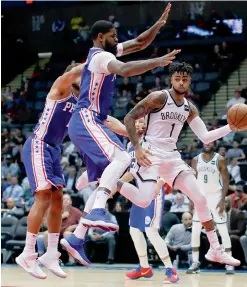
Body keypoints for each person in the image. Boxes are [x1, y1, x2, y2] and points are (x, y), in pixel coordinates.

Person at [61, 3, 180, 262]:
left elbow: (138, 43)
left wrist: (157, 26)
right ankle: (97, 211)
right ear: (100, 37)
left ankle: (76, 237)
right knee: (122, 160)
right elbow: (126, 70)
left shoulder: (108, 51)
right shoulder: (101, 57)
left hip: (97, 120)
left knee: (111, 177)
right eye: (113, 36)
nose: (117, 40)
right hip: (87, 119)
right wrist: (158, 62)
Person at [119, 62, 241, 268]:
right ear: (171, 79)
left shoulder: (189, 108)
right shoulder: (159, 98)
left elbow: (205, 136)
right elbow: (129, 117)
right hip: (151, 152)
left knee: (200, 199)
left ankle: (215, 250)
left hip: (172, 158)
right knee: (143, 199)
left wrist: (230, 126)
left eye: (185, 79)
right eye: (178, 78)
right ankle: (114, 183)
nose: (182, 82)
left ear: (190, 81)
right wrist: (138, 147)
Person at [15, 63, 84, 279]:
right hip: (39, 144)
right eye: (84, 74)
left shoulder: (82, 101)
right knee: (43, 196)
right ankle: (28, 253)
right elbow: (75, 71)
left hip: (54, 149)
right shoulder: (61, 87)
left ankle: (51, 253)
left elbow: (105, 121)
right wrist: (99, 57)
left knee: (57, 198)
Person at [121, 118, 179, 283]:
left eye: (143, 121)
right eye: (137, 121)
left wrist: (159, 184)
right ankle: (144, 267)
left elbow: (166, 166)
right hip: (139, 192)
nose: (139, 124)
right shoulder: (130, 145)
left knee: (151, 230)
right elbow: (132, 172)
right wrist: (114, 185)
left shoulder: (154, 141)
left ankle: (170, 269)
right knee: (134, 229)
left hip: (153, 189)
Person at [187, 142, 235, 275]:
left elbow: (226, 181)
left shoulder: (219, 159)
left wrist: (222, 200)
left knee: (222, 229)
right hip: (200, 198)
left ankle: (229, 264)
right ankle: (195, 262)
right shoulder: (196, 160)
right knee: (195, 230)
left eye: (210, 141)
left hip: (216, 196)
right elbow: (192, 181)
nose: (208, 143)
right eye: (205, 141)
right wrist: (192, 199)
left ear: (214, 143)